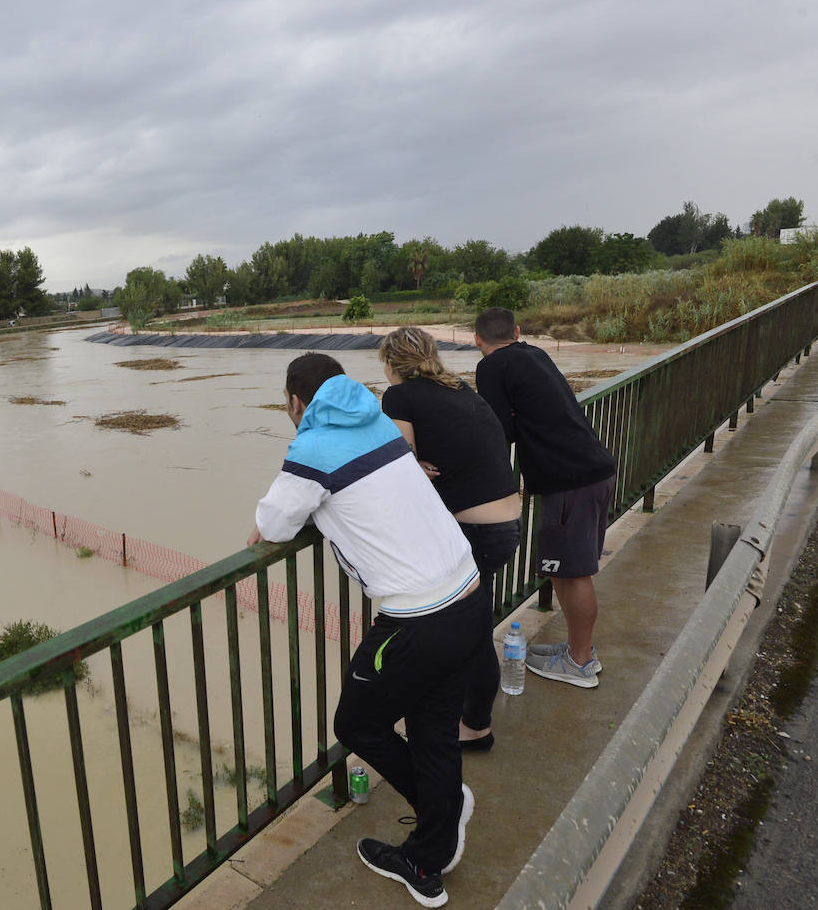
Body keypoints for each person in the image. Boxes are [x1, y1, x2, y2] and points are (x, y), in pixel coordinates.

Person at [250, 352, 486, 907]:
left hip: (416, 621)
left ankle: (441, 819)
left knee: (357, 722)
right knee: (431, 727)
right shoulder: (378, 420)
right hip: (470, 594)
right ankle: (432, 845)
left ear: (295, 402)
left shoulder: (310, 449)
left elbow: (272, 524)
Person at [379, 327, 521, 752]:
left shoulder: (400, 396)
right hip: (506, 521)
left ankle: (475, 727)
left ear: (391, 363)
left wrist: (408, 464)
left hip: (474, 531)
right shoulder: (459, 387)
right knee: (472, 625)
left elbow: (398, 458)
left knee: (472, 633)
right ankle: (463, 713)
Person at [474, 307, 617, 689]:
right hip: (591, 473)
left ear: (477, 340)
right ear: (517, 331)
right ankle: (575, 650)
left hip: (569, 482)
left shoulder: (491, 368)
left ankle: (581, 662)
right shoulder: (535, 354)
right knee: (560, 569)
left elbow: (498, 429)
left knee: (574, 572)